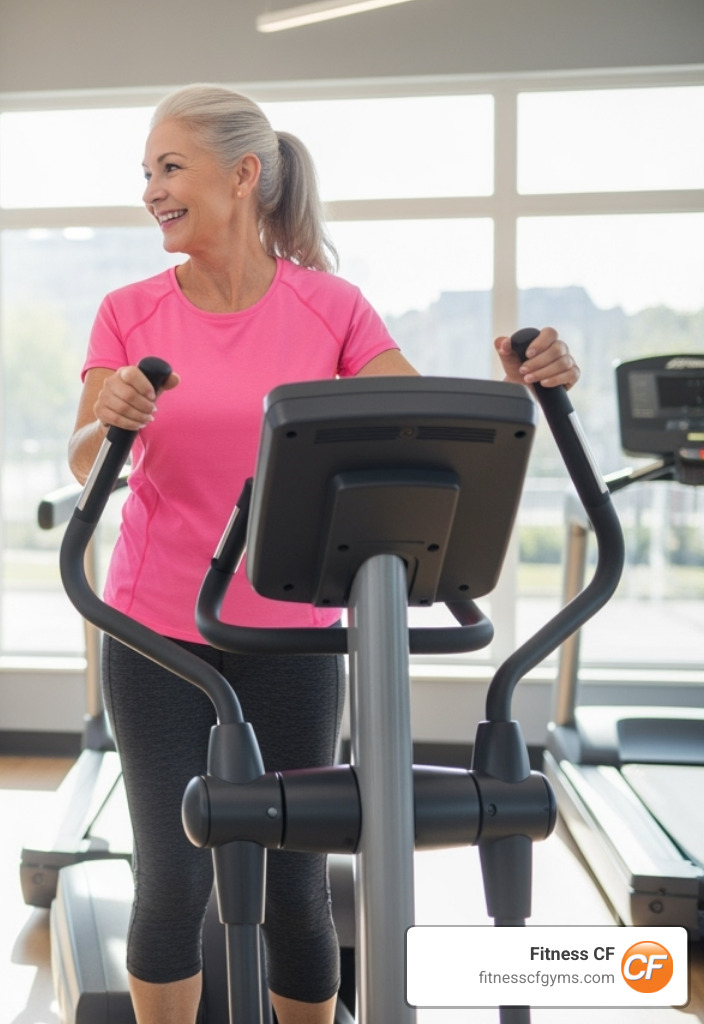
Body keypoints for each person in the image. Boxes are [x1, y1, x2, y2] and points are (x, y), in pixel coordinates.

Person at [68, 84, 579, 1024]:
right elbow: (84, 452)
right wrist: (108, 417)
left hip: (296, 638)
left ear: (244, 175)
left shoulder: (329, 307)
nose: (150, 190)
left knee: (300, 890)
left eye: (169, 168)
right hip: (156, 636)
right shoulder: (129, 311)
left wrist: (517, 389)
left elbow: (426, 433)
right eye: (145, 172)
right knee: (173, 883)